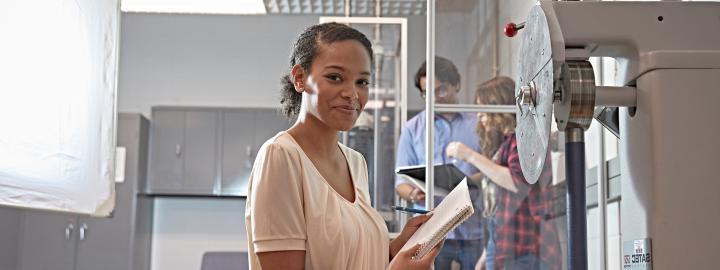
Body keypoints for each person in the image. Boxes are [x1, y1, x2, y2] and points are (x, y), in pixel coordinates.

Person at [245, 22, 443, 270]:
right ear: (299, 78)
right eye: (335, 77)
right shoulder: (281, 156)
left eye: (362, 82)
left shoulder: (355, 162)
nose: (352, 93)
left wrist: (396, 248)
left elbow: (353, 260)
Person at [445, 76, 561, 270]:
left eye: (484, 108)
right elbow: (499, 208)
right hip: (504, 244)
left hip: (525, 246)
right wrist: (487, 253)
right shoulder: (505, 144)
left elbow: (518, 182)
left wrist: (470, 156)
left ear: (499, 106)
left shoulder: (525, 140)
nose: (480, 116)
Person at [395, 56, 484, 270]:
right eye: (427, 93)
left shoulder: (478, 123)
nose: (434, 98)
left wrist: (466, 184)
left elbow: (490, 171)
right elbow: (400, 184)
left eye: (441, 90)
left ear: (456, 85)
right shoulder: (412, 128)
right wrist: (414, 194)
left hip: (473, 228)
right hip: (431, 230)